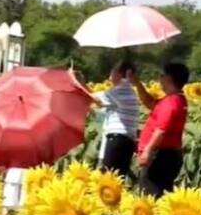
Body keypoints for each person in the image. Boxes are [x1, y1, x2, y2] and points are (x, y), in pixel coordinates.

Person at [128, 63, 189, 198]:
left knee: (152, 195)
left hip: (160, 155)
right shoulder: (175, 99)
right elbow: (150, 103)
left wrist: (148, 151)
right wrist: (137, 84)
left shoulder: (171, 103)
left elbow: (161, 130)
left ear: (169, 78)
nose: (159, 79)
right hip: (166, 154)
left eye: (162, 75)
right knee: (158, 192)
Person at [80, 61, 140, 178]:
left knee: (109, 177)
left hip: (117, 140)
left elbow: (94, 98)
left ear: (120, 74)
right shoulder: (127, 91)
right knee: (116, 178)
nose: (110, 73)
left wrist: (78, 83)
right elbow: (102, 112)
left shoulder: (120, 90)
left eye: (113, 70)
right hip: (125, 141)